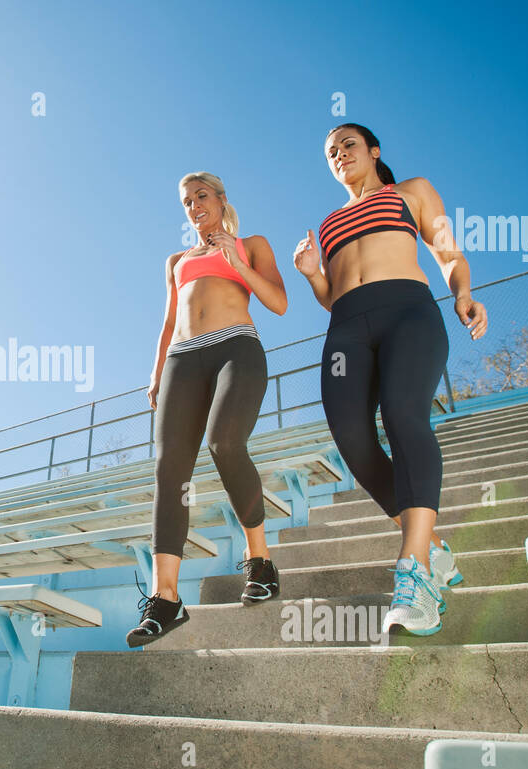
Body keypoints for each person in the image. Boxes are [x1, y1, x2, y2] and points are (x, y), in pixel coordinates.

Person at [294, 123, 488, 636]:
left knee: (403, 415)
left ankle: (415, 573)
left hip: (408, 313)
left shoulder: (413, 192)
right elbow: (333, 295)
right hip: (347, 330)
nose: (339, 155)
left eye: (348, 145)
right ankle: (436, 547)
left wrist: (463, 292)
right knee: (352, 441)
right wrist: (314, 274)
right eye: (330, 152)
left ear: (374, 151)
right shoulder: (330, 221)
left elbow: (448, 252)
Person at [128, 172, 288, 647]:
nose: (194, 206)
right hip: (182, 359)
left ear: (221, 200)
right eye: (186, 201)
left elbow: (278, 302)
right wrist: (157, 372)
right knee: (169, 469)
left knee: (225, 442)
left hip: (236, 346)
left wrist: (235, 258)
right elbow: (169, 320)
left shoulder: (252, 244)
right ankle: (166, 597)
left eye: (201, 196)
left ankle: (259, 561)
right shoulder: (176, 260)